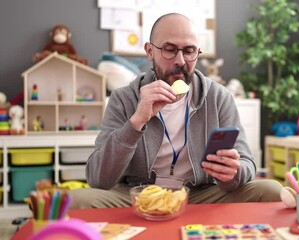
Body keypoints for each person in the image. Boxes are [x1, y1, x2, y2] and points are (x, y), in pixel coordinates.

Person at [69, 13, 282, 208]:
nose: (180, 61)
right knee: (77, 201)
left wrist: (233, 173)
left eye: (189, 51)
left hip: (200, 194)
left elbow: (246, 163)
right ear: (150, 51)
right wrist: (136, 121)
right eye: (169, 50)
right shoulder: (124, 98)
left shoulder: (218, 97)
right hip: (140, 194)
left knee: (271, 190)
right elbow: (98, 178)